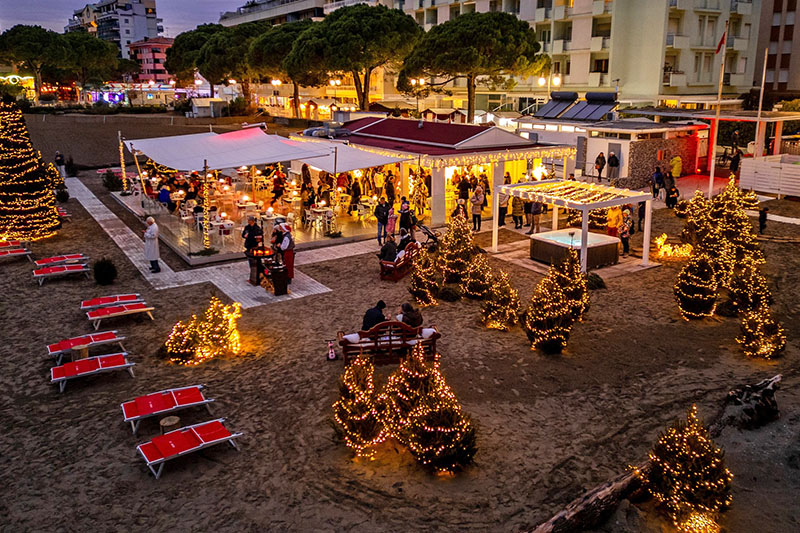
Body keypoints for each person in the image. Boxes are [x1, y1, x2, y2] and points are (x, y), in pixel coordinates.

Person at [242, 215, 264, 285]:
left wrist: (256, 239)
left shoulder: (257, 228)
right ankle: (253, 273)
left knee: (256, 260)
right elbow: (243, 234)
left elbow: (260, 236)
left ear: (252, 221)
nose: (248, 222)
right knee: (250, 260)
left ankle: (258, 274)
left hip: (254, 245)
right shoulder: (247, 227)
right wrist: (245, 235)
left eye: (249, 220)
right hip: (248, 244)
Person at [272, 218, 295, 282]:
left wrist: (280, 245)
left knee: (287, 265)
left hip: (288, 252)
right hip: (288, 252)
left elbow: (284, 247)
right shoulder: (287, 235)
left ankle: (288, 277)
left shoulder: (286, 237)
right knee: (287, 264)